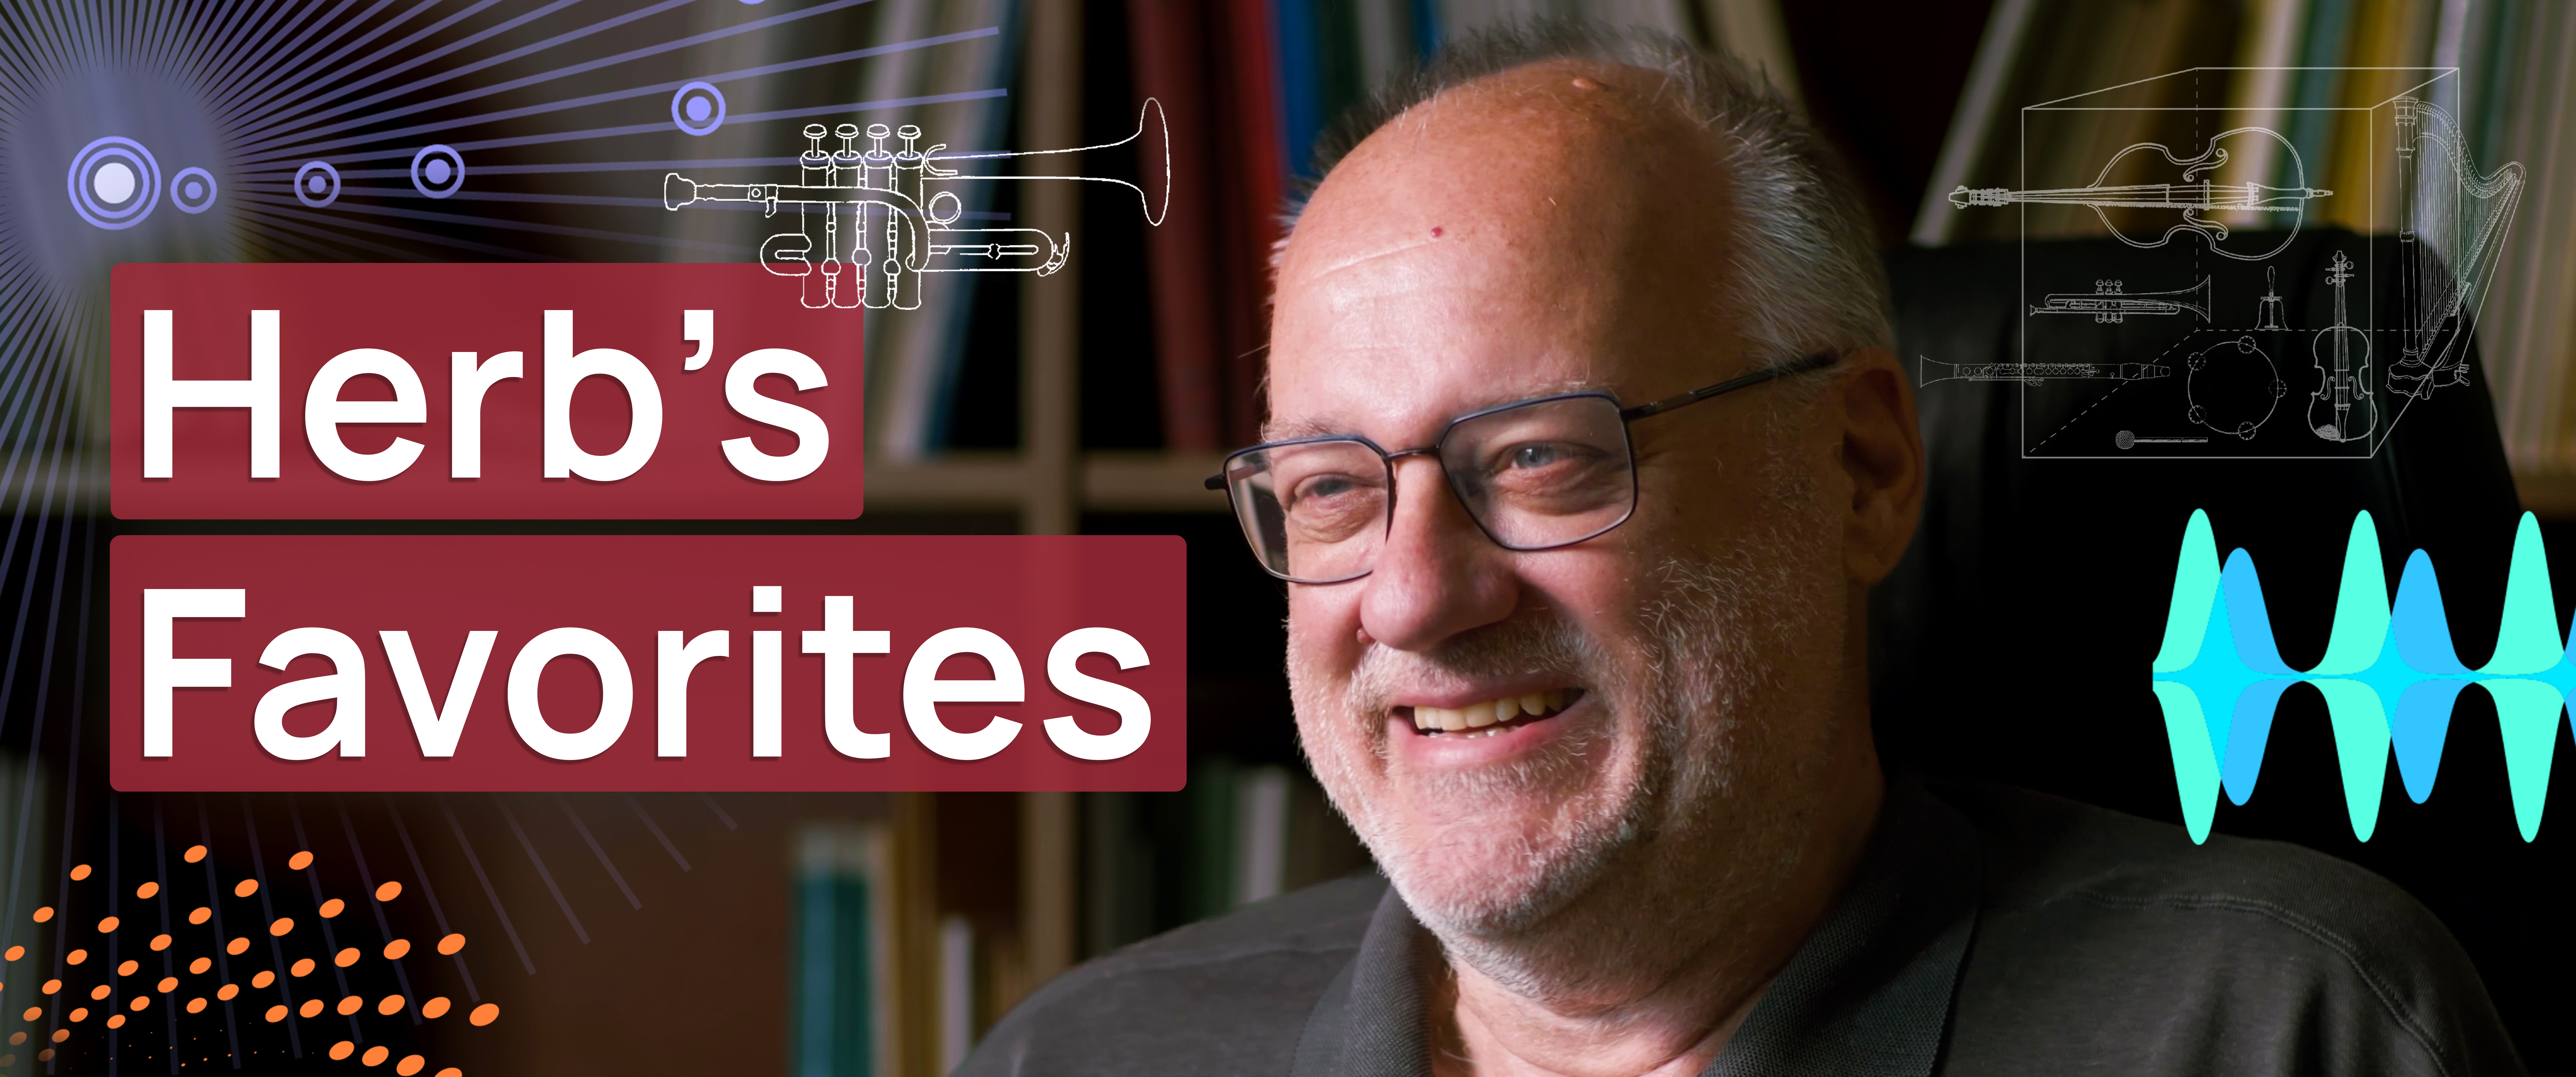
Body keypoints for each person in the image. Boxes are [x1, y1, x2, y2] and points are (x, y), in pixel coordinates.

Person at [959, 22, 2523, 1077]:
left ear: (1861, 468)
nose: (1416, 597)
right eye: (1329, 491)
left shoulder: (2286, 1030)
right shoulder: (1077, 1060)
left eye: (1539, 456)